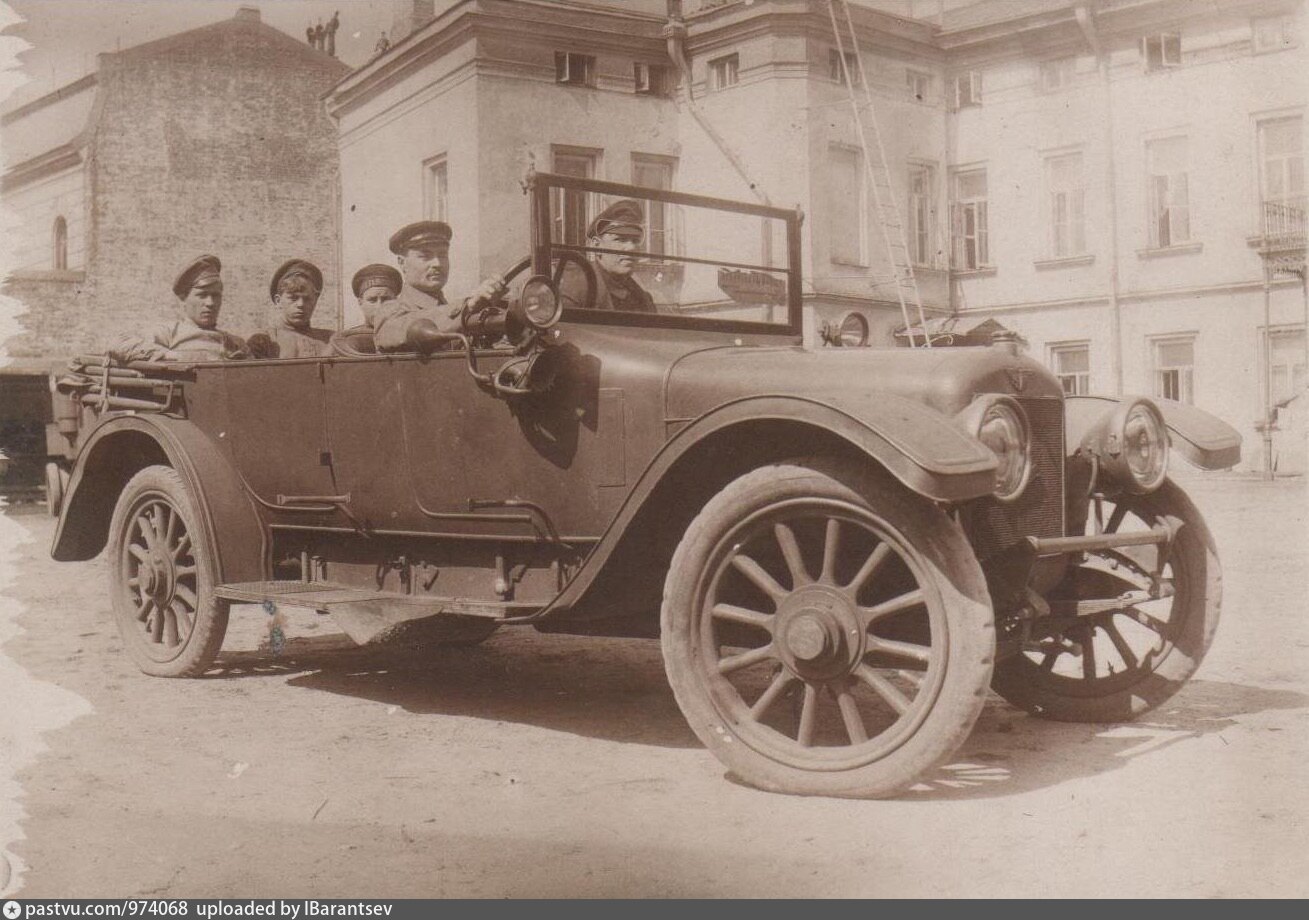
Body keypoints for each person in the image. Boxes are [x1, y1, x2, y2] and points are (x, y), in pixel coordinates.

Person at [371, 220, 505, 353]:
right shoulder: (389, 312)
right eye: (425, 256)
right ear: (402, 263)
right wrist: (467, 307)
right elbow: (411, 326)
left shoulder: (454, 311)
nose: (437, 264)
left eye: (443, 255)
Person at [109, 255, 249, 363]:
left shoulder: (235, 343)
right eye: (202, 295)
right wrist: (169, 355)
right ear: (184, 298)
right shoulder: (170, 333)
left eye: (216, 295)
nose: (210, 303)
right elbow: (119, 343)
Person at [559, 198, 657, 314]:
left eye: (635, 241)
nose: (631, 247)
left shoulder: (643, 299)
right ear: (596, 246)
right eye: (620, 239)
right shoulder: (575, 289)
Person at [247, 259, 333, 359]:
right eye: (293, 298)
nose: (300, 304)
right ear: (278, 300)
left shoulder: (331, 341)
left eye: (307, 299)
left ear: (315, 301)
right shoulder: (264, 342)